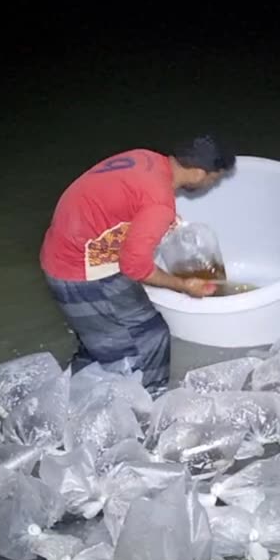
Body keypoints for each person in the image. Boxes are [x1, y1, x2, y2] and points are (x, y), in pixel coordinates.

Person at [40, 135, 235, 394]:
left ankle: (75, 390)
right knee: (149, 340)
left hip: (71, 248)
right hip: (78, 270)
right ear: (199, 173)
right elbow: (135, 268)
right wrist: (183, 285)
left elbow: (124, 202)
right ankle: (147, 405)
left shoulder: (146, 158)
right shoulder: (158, 202)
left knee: (104, 340)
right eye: (215, 178)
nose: (213, 184)